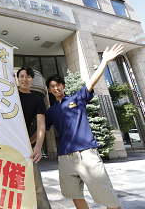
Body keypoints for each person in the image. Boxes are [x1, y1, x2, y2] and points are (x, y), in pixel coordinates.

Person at [45, 44, 124, 209]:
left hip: (86, 153)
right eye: (52, 86)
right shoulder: (51, 111)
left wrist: (105, 62)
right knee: (74, 196)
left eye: (58, 84)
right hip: (64, 157)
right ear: (49, 90)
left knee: (107, 196)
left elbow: (92, 81)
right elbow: (41, 130)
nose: (55, 88)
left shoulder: (77, 98)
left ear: (63, 86)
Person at [17, 66, 52, 209]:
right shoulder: (9, 95)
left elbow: (41, 125)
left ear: (32, 79)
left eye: (28, 76)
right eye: (22, 76)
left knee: (37, 186)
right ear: (17, 78)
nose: (24, 79)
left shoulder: (37, 100)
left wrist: (37, 146)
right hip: (4, 144)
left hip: (25, 147)